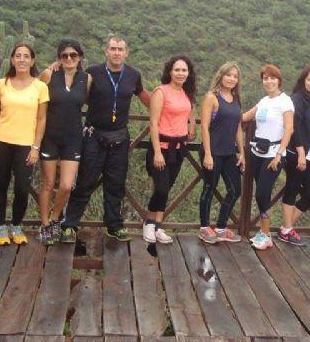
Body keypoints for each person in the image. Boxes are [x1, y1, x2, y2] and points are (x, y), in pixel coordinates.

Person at [60, 35, 151, 243]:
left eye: (121, 49)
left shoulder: (133, 75)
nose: (117, 52)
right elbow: (76, 94)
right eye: (113, 49)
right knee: (84, 182)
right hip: (94, 136)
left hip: (120, 138)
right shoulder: (93, 72)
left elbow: (145, 96)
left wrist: (168, 110)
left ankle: (114, 226)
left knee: (115, 185)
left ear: (127, 53)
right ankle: (70, 224)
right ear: (106, 52)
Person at [0, 43, 50, 246]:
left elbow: (41, 119)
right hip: (1, 141)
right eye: (18, 56)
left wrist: (35, 147)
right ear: (12, 60)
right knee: (1, 184)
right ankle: (1, 227)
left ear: (32, 61)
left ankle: (16, 225)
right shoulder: (1, 84)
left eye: (26, 56)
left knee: (22, 187)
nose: (22, 60)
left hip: (26, 145)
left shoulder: (40, 87)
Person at [37, 38, 91, 245]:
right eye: (64, 55)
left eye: (73, 55)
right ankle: (44, 224)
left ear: (80, 58)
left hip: (73, 138)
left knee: (67, 185)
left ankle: (55, 218)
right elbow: (37, 102)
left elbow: (88, 101)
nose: (69, 59)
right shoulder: (49, 75)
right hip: (50, 136)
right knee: (48, 183)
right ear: (59, 58)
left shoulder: (86, 79)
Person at [143, 55, 197, 244]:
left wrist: (192, 126)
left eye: (184, 70)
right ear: (170, 71)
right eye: (177, 70)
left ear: (188, 73)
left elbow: (190, 110)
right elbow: (153, 122)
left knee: (168, 188)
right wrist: (157, 152)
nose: (181, 73)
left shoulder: (187, 93)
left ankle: (158, 226)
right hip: (162, 148)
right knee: (161, 188)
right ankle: (149, 223)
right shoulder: (161, 91)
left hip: (179, 148)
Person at [241, 64, 293, 250]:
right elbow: (245, 117)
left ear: (279, 80)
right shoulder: (263, 101)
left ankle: (266, 233)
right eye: (265, 78)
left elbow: (289, 128)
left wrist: (279, 154)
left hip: (274, 154)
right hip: (256, 152)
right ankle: (263, 233)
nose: (269, 81)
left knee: (262, 193)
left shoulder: (285, 101)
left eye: (272, 78)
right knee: (260, 193)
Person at [277, 65, 310, 245]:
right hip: (298, 152)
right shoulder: (297, 99)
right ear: (303, 80)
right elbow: (294, 126)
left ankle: (286, 227)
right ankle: (287, 229)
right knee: (292, 188)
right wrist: (300, 153)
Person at [198, 62, 244, 244]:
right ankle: (204, 227)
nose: (232, 78)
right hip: (213, 151)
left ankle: (221, 227)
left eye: (235, 76)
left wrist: (242, 152)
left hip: (229, 152)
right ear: (221, 75)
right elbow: (204, 125)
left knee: (235, 189)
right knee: (210, 188)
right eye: (229, 75)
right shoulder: (212, 97)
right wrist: (208, 154)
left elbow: (238, 128)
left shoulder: (236, 99)